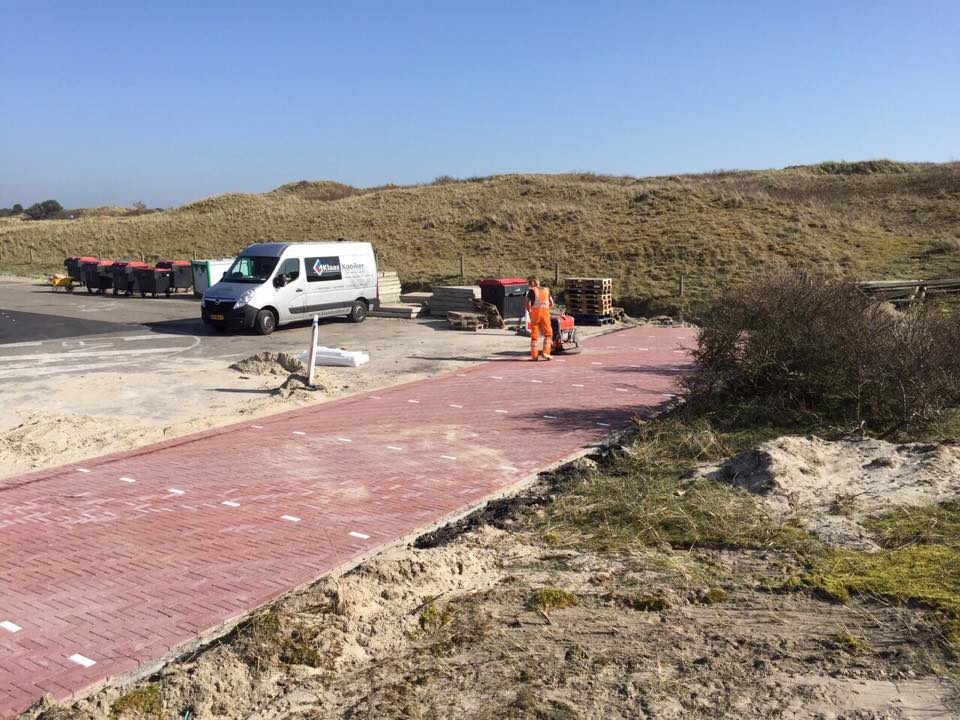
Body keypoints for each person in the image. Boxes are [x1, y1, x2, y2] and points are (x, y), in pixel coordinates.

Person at [525, 275, 553, 361]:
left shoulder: (531, 291)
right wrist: (547, 309)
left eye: (529, 283)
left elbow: (527, 303)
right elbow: (552, 303)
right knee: (548, 334)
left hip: (535, 315)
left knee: (534, 336)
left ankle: (534, 356)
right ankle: (546, 353)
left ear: (532, 283)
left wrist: (530, 312)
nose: (529, 285)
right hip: (545, 315)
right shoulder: (546, 290)